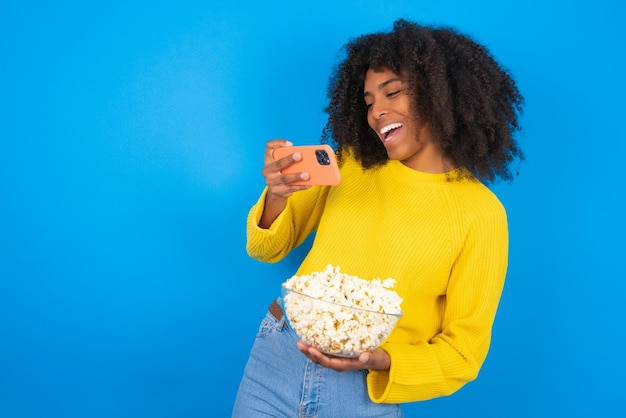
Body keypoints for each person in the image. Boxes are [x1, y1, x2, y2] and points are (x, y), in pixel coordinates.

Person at [232, 18, 524, 417]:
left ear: (443, 94)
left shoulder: (480, 213)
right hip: (278, 357)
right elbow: (264, 247)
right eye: (369, 102)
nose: (377, 112)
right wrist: (277, 197)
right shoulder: (349, 163)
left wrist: (380, 360)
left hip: (362, 395)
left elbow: (463, 353)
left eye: (393, 93)